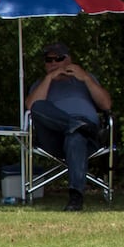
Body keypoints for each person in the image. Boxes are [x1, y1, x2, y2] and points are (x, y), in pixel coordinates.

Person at [24, 42, 112, 211]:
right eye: (49, 60)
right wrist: (49, 78)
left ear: (69, 60)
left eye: (59, 58)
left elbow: (106, 105)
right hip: (54, 135)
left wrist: (85, 77)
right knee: (38, 107)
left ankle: (75, 197)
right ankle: (77, 125)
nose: (53, 63)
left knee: (75, 136)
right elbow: (31, 107)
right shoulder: (41, 84)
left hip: (85, 138)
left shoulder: (86, 79)